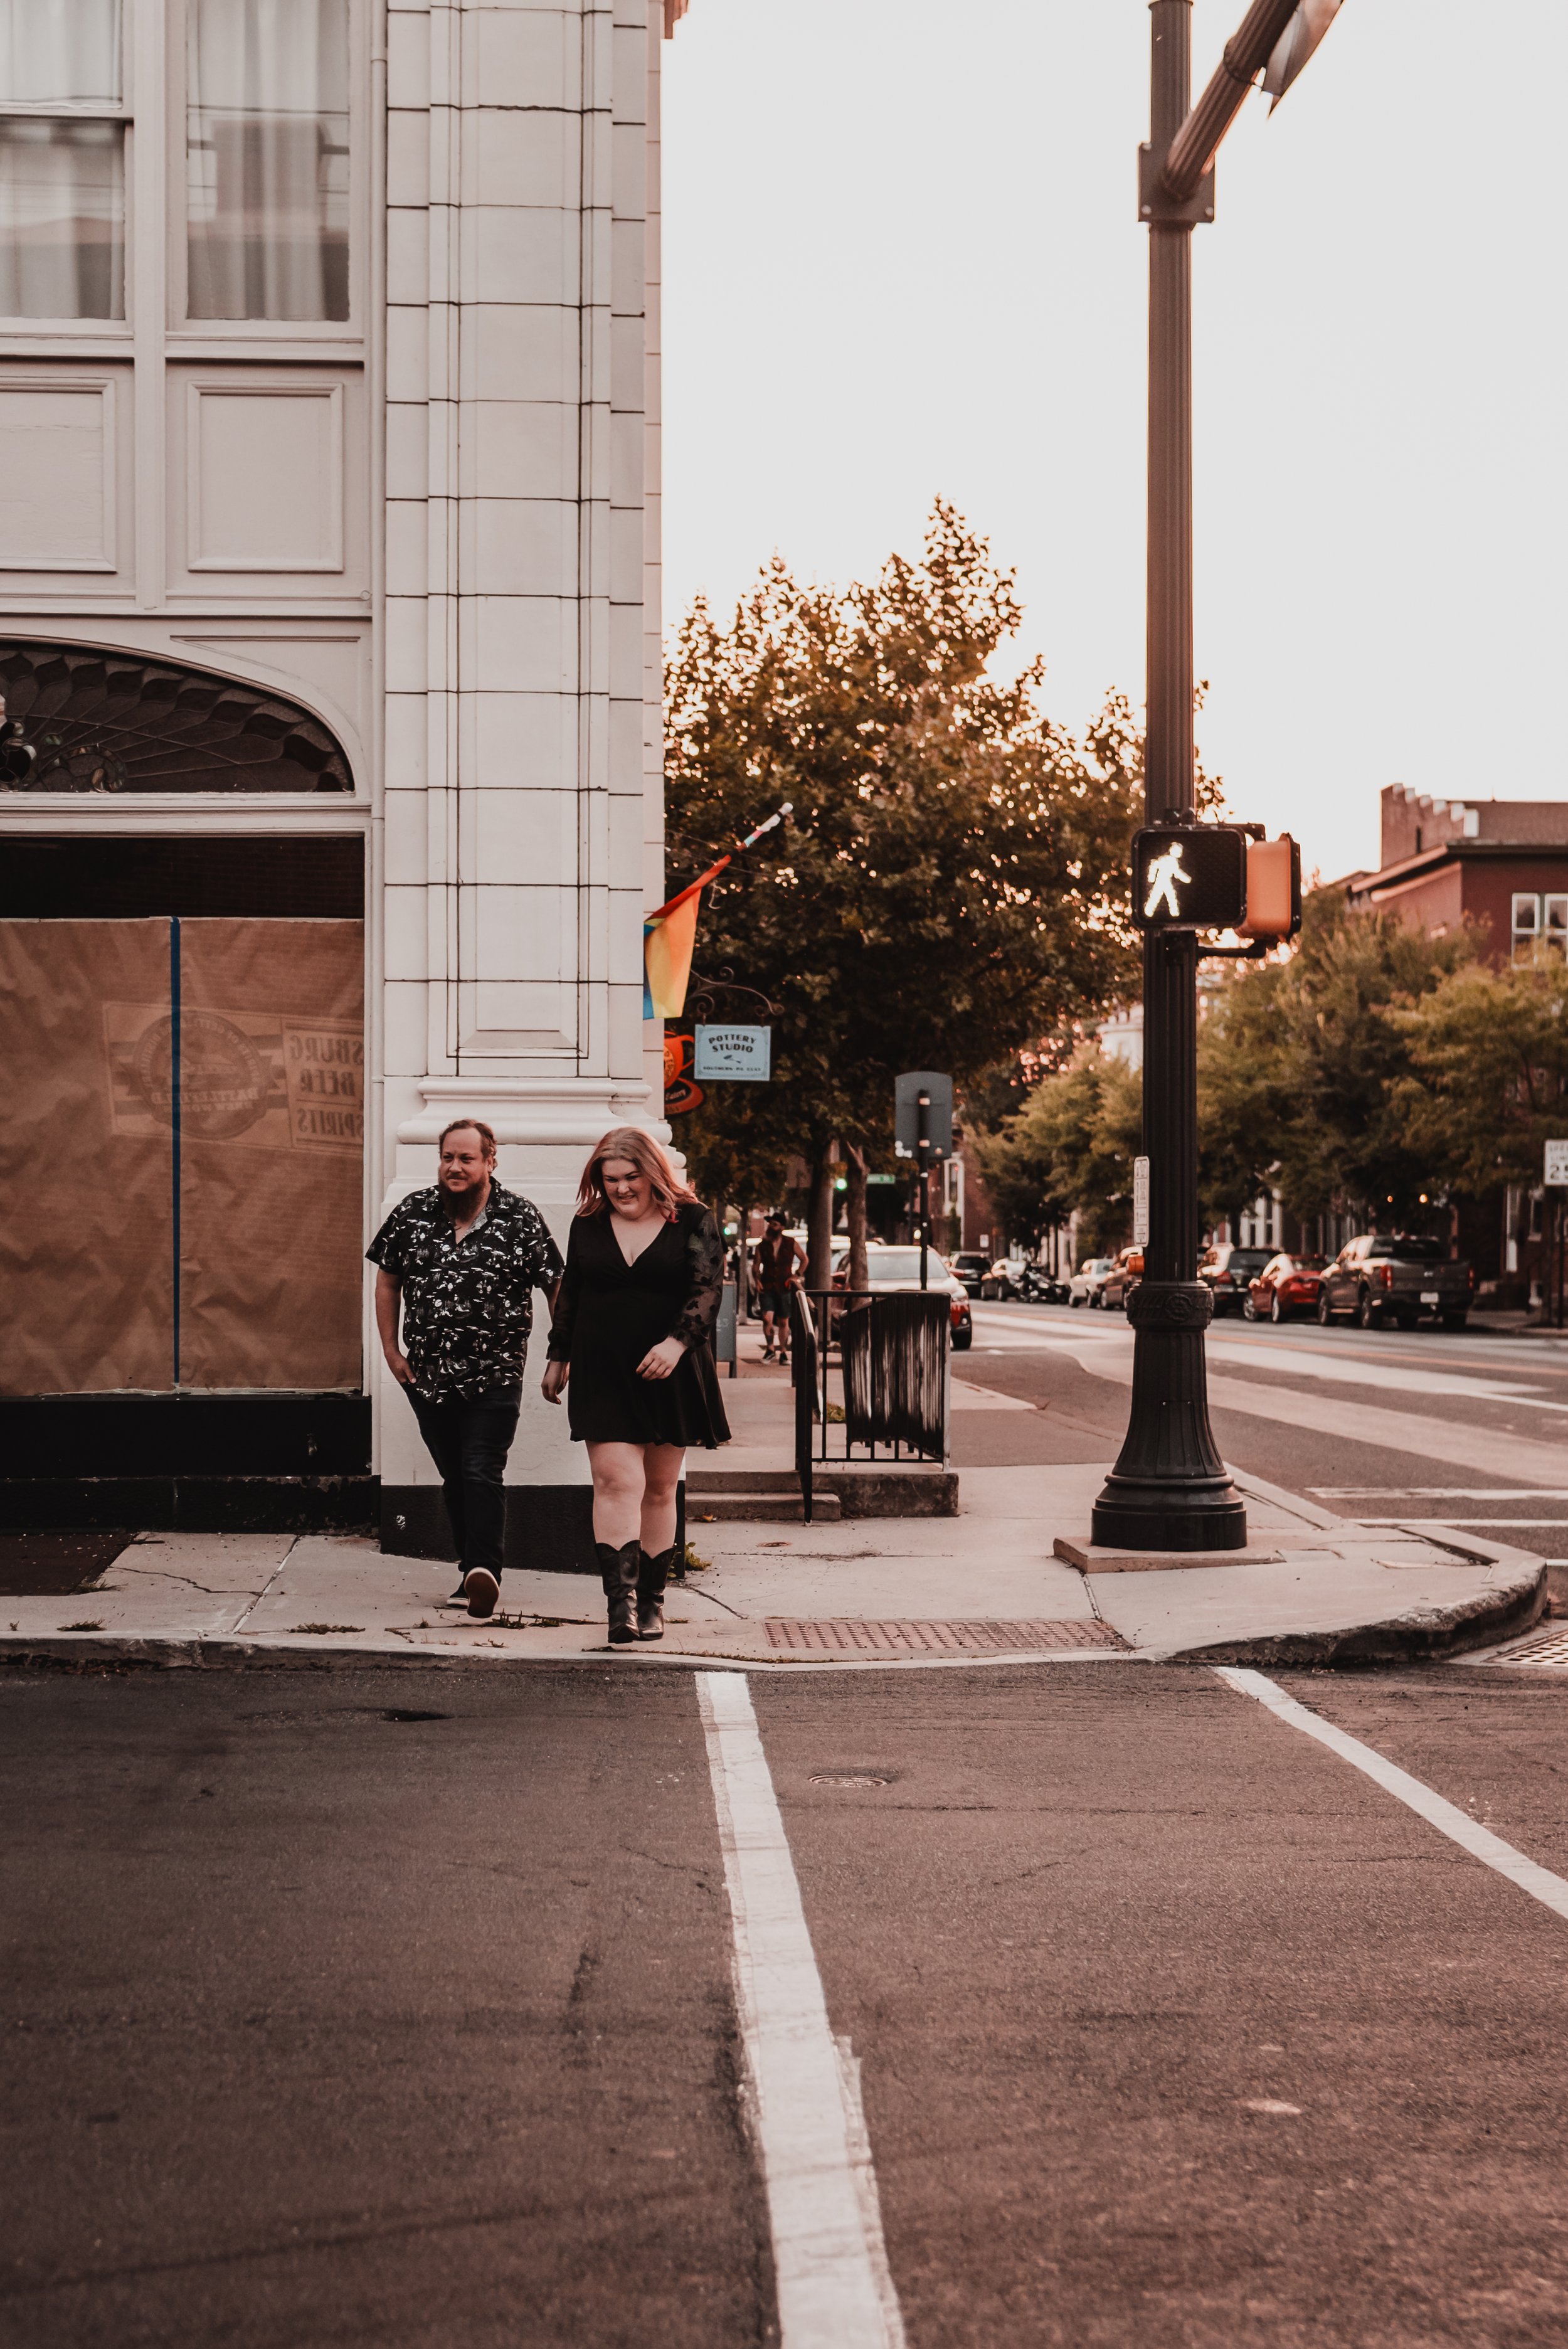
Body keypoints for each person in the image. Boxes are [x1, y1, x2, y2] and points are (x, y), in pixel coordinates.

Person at [368, 1119, 563, 1620]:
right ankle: (470, 1571)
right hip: (426, 1377)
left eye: (466, 1158)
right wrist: (391, 1351)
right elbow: (388, 1282)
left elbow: (557, 1286)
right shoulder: (413, 1212)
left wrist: (560, 1353)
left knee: (481, 1469)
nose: (454, 1167)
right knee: (455, 1476)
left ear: (490, 1162)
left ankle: (485, 1570)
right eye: (447, 1157)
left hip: (494, 1375)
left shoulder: (519, 1218)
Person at [541, 1127, 729, 1645]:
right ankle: (619, 1607)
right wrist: (559, 1354)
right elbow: (571, 1292)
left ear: (653, 1173)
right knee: (615, 1481)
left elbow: (707, 1289)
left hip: (671, 1369)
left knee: (661, 1487)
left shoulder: (694, 1220)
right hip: (602, 1368)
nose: (622, 1189)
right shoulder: (588, 1223)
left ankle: (652, 1601)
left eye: (631, 1178)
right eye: (610, 1180)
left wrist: (675, 1344)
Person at [751, 1212, 803, 1362]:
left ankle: (783, 1351)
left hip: (784, 1286)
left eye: (774, 1224)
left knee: (783, 1321)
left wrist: (797, 1275)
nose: (771, 1227)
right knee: (767, 1319)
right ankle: (770, 1349)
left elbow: (805, 1259)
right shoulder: (762, 1245)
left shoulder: (790, 1243)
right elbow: (756, 1265)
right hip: (767, 1286)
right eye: (770, 1224)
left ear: (781, 1227)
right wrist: (757, 1280)